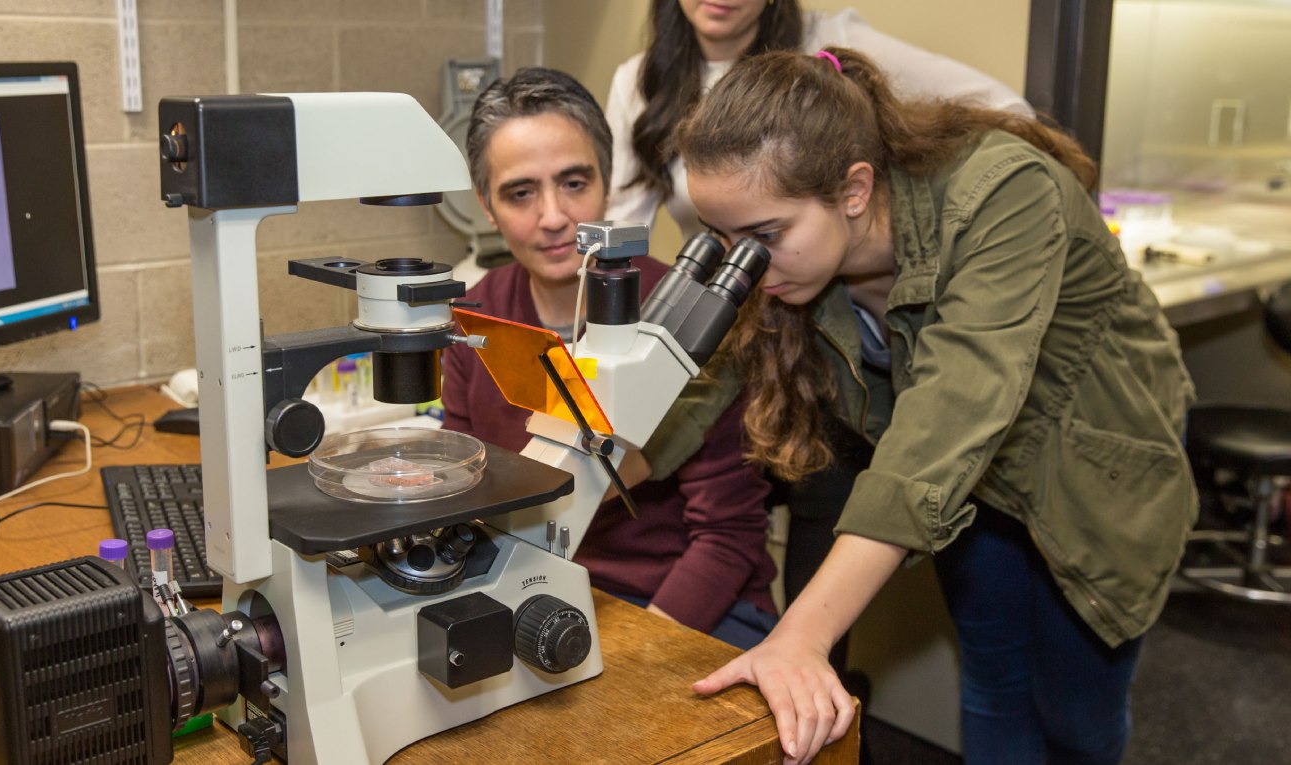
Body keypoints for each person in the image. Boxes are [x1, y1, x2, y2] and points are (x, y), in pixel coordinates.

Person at [670, 48, 1198, 765]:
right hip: (971, 489)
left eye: (764, 237)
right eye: (724, 239)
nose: (747, 263)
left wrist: (800, 636)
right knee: (994, 685)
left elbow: (948, 414)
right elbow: (688, 389)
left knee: (1076, 714)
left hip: (1092, 476)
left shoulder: (1005, 192)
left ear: (854, 190)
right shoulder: (796, 261)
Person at [442, 67, 779, 650]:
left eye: (574, 183)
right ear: (486, 206)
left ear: (607, 183)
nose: (553, 217)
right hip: (540, 593)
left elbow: (727, 536)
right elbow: (469, 494)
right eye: (521, 192)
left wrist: (639, 654)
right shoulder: (477, 318)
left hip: (678, 602)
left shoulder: (690, 320)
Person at [605, 0, 1033, 238]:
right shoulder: (637, 84)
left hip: (832, 322)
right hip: (722, 323)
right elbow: (621, 234)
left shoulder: (832, 46)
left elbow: (1008, 111)